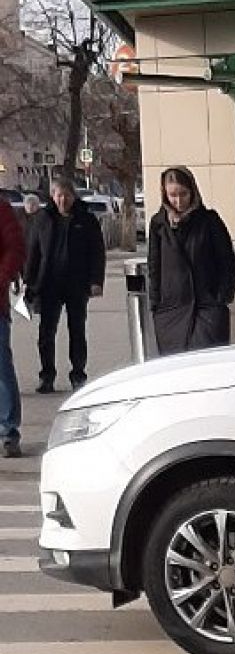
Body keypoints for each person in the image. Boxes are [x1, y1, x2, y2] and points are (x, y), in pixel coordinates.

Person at [24, 177, 106, 394]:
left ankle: (78, 375)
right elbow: (33, 250)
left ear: (73, 196)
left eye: (67, 195)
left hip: (77, 284)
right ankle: (47, 376)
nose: (63, 200)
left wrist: (96, 281)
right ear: (52, 196)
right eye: (59, 195)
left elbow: (98, 253)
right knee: (46, 333)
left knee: (77, 330)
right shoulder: (43, 218)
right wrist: (28, 280)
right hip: (49, 284)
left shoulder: (86, 220)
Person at [147, 167, 235, 356]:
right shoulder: (158, 224)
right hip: (171, 310)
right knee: (177, 370)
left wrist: (222, 297)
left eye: (183, 194)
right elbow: (154, 266)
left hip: (207, 306)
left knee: (208, 364)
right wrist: (156, 303)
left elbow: (227, 261)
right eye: (172, 195)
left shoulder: (209, 221)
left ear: (193, 191)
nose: (178, 201)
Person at [0, 197, 26, 457]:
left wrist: (2, 277)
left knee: (1, 370)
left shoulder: (1, 209)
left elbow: (15, 249)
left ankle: (8, 432)